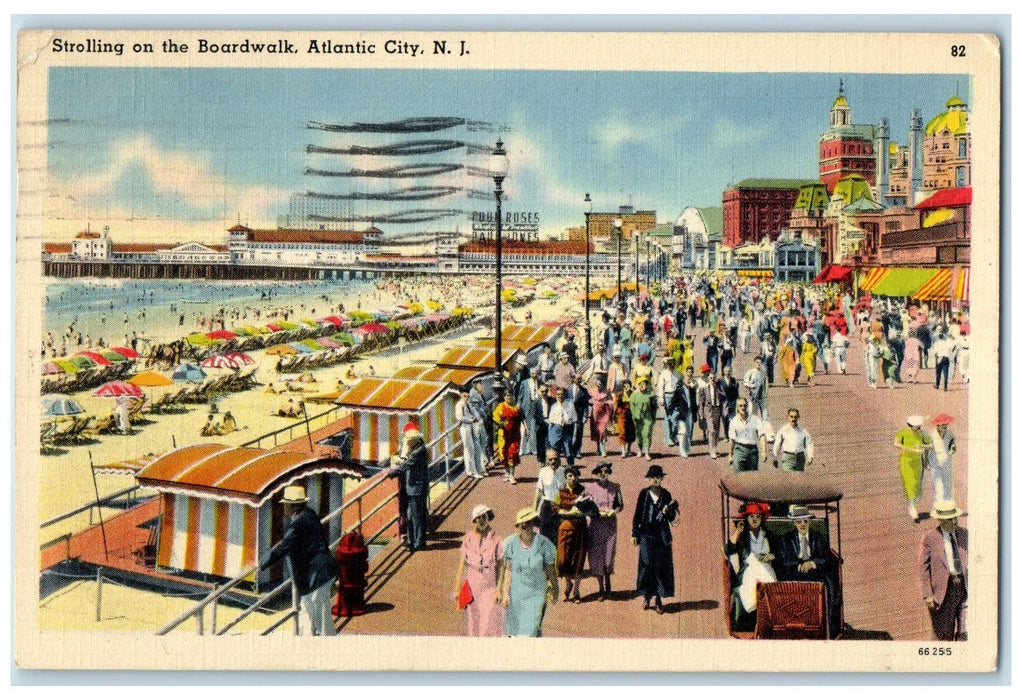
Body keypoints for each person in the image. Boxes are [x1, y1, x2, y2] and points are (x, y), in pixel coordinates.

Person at [258, 485, 338, 636]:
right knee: (309, 613)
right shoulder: (309, 514)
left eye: (285, 505)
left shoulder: (297, 524)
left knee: (321, 618)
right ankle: (307, 643)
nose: (284, 508)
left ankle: (326, 648)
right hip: (319, 573)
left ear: (293, 507)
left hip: (316, 576)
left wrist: (261, 564)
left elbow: (284, 546)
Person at [776, 505, 841, 639]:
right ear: (794, 522)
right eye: (799, 521)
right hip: (794, 572)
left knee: (828, 584)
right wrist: (799, 565)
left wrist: (813, 563)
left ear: (809, 521)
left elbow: (826, 557)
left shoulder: (817, 538)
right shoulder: (786, 539)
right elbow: (784, 560)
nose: (802, 524)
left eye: (805, 521)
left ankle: (828, 627)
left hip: (815, 572)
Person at [499, 507, 558, 637]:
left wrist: (555, 588)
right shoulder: (510, 543)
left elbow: (550, 569)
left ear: (533, 523)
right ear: (518, 525)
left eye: (528, 522)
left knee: (532, 630)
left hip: (536, 593)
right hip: (516, 593)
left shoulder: (544, 544)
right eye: (522, 523)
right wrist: (505, 593)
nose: (525, 525)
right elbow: (508, 570)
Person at [631, 464, 678, 614]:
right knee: (646, 565)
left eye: (658, 477)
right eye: (653, 477)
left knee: (660, 567)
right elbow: (637, 515)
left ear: (661, 479)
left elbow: (672, 518)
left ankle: (658, 599)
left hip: (661, 536)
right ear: (649, 479)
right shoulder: (643, 494)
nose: (656, 480)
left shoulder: (666, 495)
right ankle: (647, 595)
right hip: (646, 535)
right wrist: (635, 533)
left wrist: (668, 511)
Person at [918, 499, 968, 641]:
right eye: (950, 519)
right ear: (940, 520)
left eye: (955, 518)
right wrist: (928, 594)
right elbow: (923, 568)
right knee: (943, 635)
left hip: (964, 587)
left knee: (965, 634)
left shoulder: (964, 534)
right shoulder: (930, 538)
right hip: (944, 593)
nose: (954, 522)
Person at [724, 502, 778, 632]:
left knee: (763, 571)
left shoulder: (768, 535)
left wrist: (771, 556)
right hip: (748, 570)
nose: (755, 520)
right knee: (754, 571)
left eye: (758, 517)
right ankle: (753, 611)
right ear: (747, 518)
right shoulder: (743, 537)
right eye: (752, 516)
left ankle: (770, 615)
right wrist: (737, 532)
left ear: (762, 519)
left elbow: (778, 553)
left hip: (766, 568)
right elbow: (728, 550)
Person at [453, 504, 505, 637]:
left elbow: (500, 566)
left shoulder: (496, 540)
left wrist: (499, 589)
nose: (481, 520)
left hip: (489, 584)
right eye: (478, 518)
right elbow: (462, 565)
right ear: (474, 520)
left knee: (488, 621)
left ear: (489, 518)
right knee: (473, 621)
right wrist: (457, 589)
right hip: (472, 584)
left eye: (484, 517)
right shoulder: (468, 539)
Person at [390, 422, 430, 552]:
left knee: (416, 516)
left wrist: (392, 473)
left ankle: (417, 542)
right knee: (415, 515)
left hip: (415, 489)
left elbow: (406, 465)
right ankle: (413, 540)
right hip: (418, 487)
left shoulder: (417, 451)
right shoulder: (420, 447)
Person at [587, 462, 624, 601]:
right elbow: (588, 507)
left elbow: (620, 505)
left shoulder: (616, 487)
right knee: (597, 557)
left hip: (610, 526)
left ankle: (608, 578)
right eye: (601, 472)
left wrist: (613, 511)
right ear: (597, 473)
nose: (603, 474)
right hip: (596, 526)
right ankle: (601, 589)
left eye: (606, 471)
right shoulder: (590, 489)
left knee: (608, 557)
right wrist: (597, 512)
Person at [555, 467, 589, 603]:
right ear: (566, 477)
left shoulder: (584, 491)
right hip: (565, 529)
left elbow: (588, 509)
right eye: (570, 475)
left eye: (575, 476)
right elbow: (555, 509)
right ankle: (568, 582)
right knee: (563, 559)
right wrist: (570, 512)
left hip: (580, 529)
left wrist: (578, 512)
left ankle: (576, 590)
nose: (573, 478)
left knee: (578, 559)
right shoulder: (560, 491)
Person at [895, 414, 933, 522]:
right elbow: (896, 443)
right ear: (910, 425)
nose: (917, 428)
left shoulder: (923, 434)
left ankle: (913, 504)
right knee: (909, 484)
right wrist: (908, 448)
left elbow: (930, 445)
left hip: (918, 462)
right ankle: (913, 508)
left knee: (917, 485)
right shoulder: (904, 432)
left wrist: (922, 447)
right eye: (915, 426)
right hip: (906, 462)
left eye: (918, 426)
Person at [533, 449, 566, 544]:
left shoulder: (563, 471)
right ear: (546, 460)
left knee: (558, 535)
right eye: (550, 459)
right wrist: (534, 510)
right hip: (547, 506)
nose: (553, 461)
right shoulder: (543, 472)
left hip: (559, 506)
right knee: (544, 535)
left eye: (555, 458)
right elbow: (538, 491)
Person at [728, 398, 766, 472]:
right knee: (738, 475)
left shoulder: (755, 419)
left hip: (752, 450)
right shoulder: (733, 422)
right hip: (739, 449)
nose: (743, 408)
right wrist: (730, 455)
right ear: (737, 408)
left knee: (752, 477)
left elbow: (762, 436)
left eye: (745, 405)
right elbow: (732, 440)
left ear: (747, 406)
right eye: (740, 406)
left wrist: (763, 452)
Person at [492, 390, 523, 484]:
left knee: (512, 454)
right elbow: (495, 418)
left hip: (515, 434)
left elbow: (521, 419)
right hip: (504, 435)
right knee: (504, 454)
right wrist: (501, 424)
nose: (509, 398)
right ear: (504, 397)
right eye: (507, 396)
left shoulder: (517, 408)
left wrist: (526, 429)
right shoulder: (501, 407)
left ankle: (512, 475)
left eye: (511, 395)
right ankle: (507, 473)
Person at [456, 387, 487, 479]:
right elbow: (460, 417)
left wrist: (477, 418)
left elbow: (473, 412)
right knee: (469, 449)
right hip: (465, 426)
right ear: (461, 395)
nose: (466, 397)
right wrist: (470, 420)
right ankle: (471, 471)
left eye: (467, 395)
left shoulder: (467, 403)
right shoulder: (459, 405)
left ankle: (480, 469)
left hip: (472, 426)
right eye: (464, 395)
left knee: (476, 448)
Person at [772, 408, 814, 472]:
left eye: (795, 417)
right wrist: (775, 458)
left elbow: (809, 443)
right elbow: (777, 444)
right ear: (788, 417)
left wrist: (810, 456)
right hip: (788, 459)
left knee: (799, 480)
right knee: (789, 480)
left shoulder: (803, 431)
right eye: (791, 417)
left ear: (798, 417)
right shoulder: (783, 430)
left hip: (800, 459)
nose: (793, 419)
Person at [927, 413, 957, 502]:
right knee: (937, 484)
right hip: (934, 461)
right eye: (943, 424)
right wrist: (926, 462)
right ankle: (939, 505)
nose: (945, 425)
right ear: (938, 424)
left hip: (946, 460)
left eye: (946, 423)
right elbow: (926, 450)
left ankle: (948, 505)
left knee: (948, 483)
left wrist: (953, 448)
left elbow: (952, 443)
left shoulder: (949, 432)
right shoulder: (931, 435)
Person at [546, 385, 578, 466]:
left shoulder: (570, 405)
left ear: (565, 395)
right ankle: (556, 467)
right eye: (558, 394)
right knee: (555, 450)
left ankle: (571, 467)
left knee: (568, 451)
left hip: (567, 429)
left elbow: (574, 420)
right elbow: (551, 422)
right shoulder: (554, 406)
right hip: (556, 429)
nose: (559, 396)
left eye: (561, 394)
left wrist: (574, 434)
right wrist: (550, 436)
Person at [629, 375, 657, 461]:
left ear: (647, 385)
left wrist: (653, 417)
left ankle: (647, 452)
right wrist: (634, 416)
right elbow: (632, 407)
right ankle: (640, 450)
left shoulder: (651, 395)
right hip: (637, 419)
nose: (642, 385)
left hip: (647, 418)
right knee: (639, 435)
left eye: (644, 383)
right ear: (638, 385)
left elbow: (654, 407)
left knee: (647, 433)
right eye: (640, 384)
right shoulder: (634, 395)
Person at [672, 365, 698, 458]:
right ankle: (682, 450)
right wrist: (676, 411)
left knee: (688, 432)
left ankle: (686, 449)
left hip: (690, 412)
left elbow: (694, 401)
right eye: (686, 379)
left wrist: (695, 413)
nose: (688, 380)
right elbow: (674, 401)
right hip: (682, 413)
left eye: (689, 379)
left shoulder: (692, 389)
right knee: (683, 432)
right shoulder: (679, 390)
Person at [697, 364, 722, 459]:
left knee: (716, 431)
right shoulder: (704, 389)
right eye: (711, 378)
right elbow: (701, 402)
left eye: (714, 378)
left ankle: (714, 448)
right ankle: (712, 451)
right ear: (708, 378)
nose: (712, 379)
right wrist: (701, 414)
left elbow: (723, 397)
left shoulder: (718, 388)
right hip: (709, 410)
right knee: (711, 431)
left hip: (717, 410)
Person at [655, 356, 681, 447]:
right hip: (666, 396)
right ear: (666, 364)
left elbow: (680, 385)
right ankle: (668, 439)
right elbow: (660, 387)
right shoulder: (663, 374)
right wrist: (661, 398)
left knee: (675, 418)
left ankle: (674, 436)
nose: (671, 365)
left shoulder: (677, 374)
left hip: (676, 397)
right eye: (669, 363)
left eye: (673, 363)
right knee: (666, 418)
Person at [588, 378, 614, 458]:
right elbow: (588, 400)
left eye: (600, 385)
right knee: (597, 432)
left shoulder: (606, 392)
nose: (599, 386)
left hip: (604, 414)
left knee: (603, 432)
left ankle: (603, 449)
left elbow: (611, 401)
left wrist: (606, 403)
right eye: (597, 385)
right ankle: (598, 448)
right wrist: (592, 403)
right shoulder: (591, 391)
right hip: (595, 414)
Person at [614, 379, 636, 458]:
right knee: (622, 431)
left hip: (631, 415)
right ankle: (623, 450)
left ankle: (629, 449)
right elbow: (616, 405)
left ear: (630, 386)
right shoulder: (619, 395)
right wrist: (615, 415)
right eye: (625, 385)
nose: (626, 387)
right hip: (622, 415)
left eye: (628, 385)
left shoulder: (633, 394)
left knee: (631, 432)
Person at [743, 356, 768, 421]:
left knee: (765, 415)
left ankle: (764, 429)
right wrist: (752, 386)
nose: (759, 364)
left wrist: (765, 393)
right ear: (754, 363)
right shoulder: (750, 372)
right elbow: (745, 383)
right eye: (757, 362)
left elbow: (766, 384)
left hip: (762, 397)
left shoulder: (763, 372)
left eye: (760, 363)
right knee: (753, 415)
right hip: (753, 397)